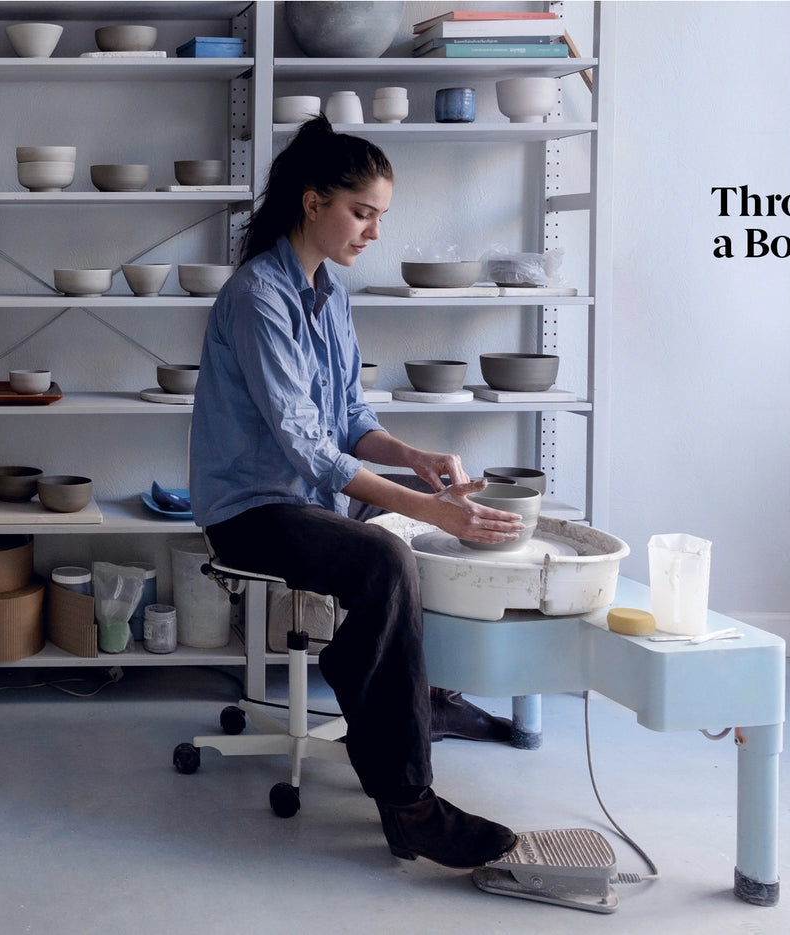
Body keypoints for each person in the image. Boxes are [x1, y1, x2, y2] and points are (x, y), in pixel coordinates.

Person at [188, 116, 522, 869]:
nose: (372, 231)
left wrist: (417, 460)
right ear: (313, 203)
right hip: (250, 508)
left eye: (379, 216)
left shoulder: (328, 295)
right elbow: (304, 443)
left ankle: (415, 698)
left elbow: (348, 419)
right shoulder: (256, 296)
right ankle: (409, 805)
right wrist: (415, 500)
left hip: (309, 495)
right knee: (383, 561)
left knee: (434, 530)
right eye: (362, 212)